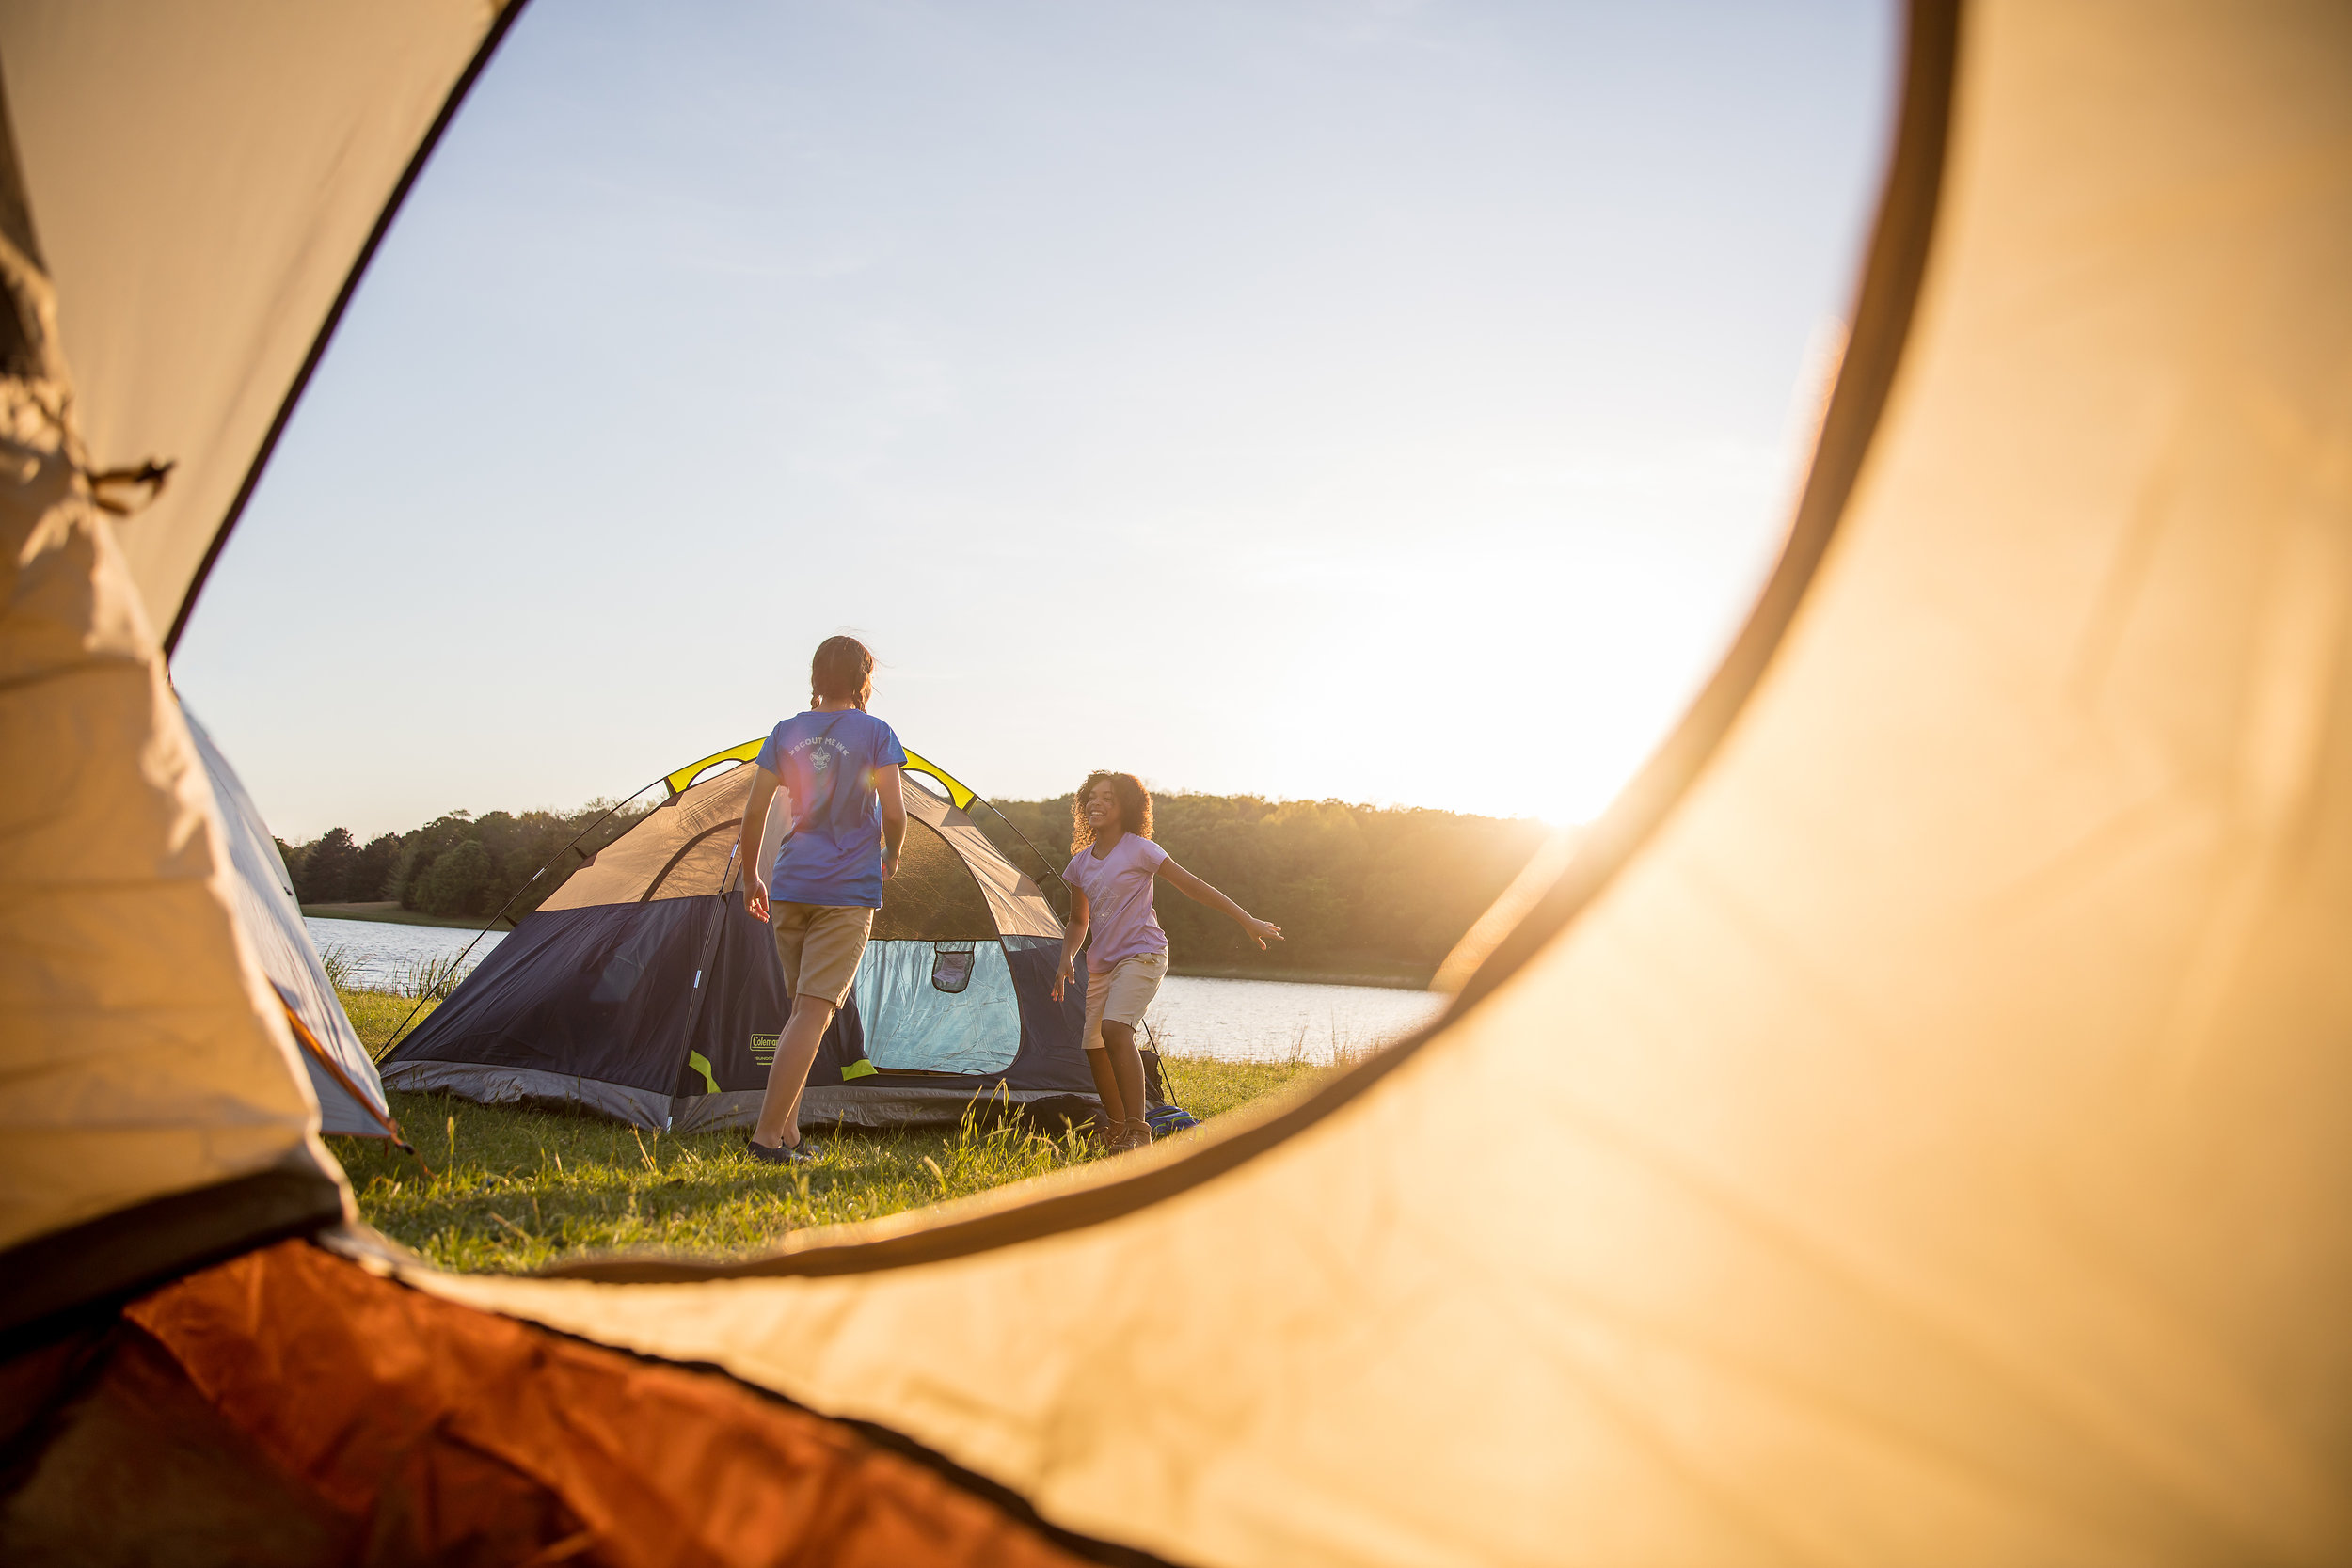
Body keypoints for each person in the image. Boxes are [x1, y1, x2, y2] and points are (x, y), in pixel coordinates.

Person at [737, 636, 906, 1164]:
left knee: (800, 1013)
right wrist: (893, 856)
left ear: (816, 678)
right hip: (845, 890)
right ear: (863, 680)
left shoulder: (787, 732)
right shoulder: (876, 733)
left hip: (790, 885)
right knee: (812, 1014)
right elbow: (896, 814)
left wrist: (751, 879)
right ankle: (766, 1140)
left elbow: (754, 815)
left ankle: (789, 1135)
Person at [1051, 771, 1281, 1152]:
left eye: (1108, 797)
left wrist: (1246, 919)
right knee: (1093, 1044)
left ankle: (1139, 1132)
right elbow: (1079, 920)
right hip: (1103, 963)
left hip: (1144, 953)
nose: (1097, 803)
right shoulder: (1079, 864)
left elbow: (1194, 886)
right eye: (1091, 797)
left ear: (1126, 805)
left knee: (1114, 1030)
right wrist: (1065, 958)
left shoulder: (1141, 849)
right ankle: (1117, 1128)